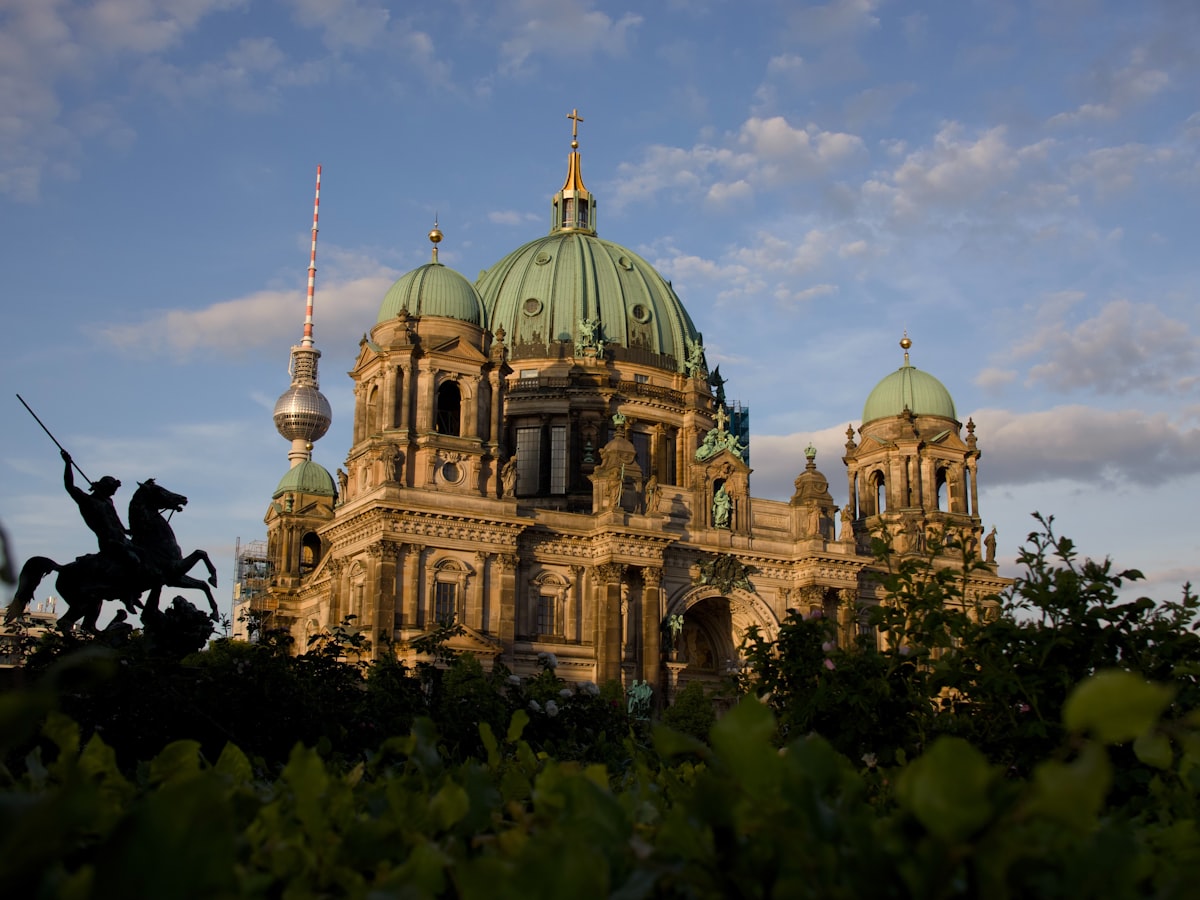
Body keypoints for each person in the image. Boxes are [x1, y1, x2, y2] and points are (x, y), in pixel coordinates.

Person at [61, 450, 139, 569]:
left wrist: (127, 531)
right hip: (109, 542)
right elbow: (70, 486)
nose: (113, 494)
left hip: (122, 539)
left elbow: (116, 520)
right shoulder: (87, 501)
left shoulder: (108, 501)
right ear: (104, 487)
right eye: (111, 490)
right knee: (133, 560)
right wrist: (68, 464)